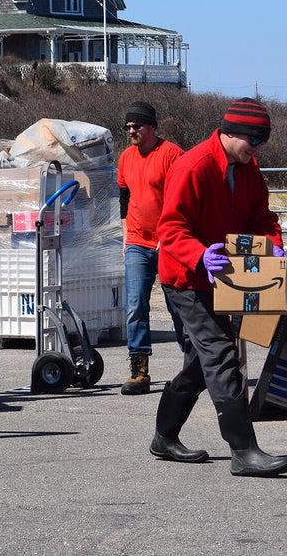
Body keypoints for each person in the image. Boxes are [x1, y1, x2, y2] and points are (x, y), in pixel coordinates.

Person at [149, 97, 287, 477]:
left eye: (261, 143)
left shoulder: (249, 169)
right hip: (185, 276)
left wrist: (273, 246)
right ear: (232, 133)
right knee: (221, 355)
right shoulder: (193, 166)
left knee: (201, 364)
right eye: (255, 141)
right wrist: (199, 256)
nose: (258, 149)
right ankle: (243, 450)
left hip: (222, 278)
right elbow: (170, 227)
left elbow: (262, 217)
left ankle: (164, 437)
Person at [117, 100, 185, 395]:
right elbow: (123, 199)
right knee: (135, 306)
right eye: (128, 127)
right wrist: (125, 236)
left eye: (137, 126)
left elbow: (182, 199)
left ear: (152, 127)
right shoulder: (125, 158)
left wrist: (171, 236)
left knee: (179, 307)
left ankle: (193, 366)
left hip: (169, 244)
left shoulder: (172, 154)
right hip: (136, 242)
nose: (131, 130)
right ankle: (139, 371)